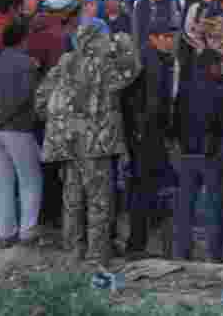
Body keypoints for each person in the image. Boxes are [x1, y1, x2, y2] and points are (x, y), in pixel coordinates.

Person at [37, 18, 140, 264]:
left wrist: (60, 125)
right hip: (96, 143)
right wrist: (125, 42)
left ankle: (72, 251)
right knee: (99, 201)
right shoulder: (104, 66)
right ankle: (96, 255)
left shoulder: (65, 62)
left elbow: (42, 97)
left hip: (67, 142)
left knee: (72, 198)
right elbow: (133, 69)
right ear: (95, 40)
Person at [0, 20, 42, 247]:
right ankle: (27, 233)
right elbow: (25, 96)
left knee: (2, 183)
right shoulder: (27, 64)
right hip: (18, 129)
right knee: (30, 180)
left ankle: (6, 234)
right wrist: (3, 116)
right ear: (24, 38)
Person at [123, 20, 179, 259]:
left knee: (145, 188)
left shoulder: (157, 59)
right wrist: (154, 132)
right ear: (153, 38)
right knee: (145, 189)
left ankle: (140, 243)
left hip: (143, 133)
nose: (170, 40)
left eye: (171, 36)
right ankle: (138, 245)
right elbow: (154, 103)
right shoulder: (152, 61)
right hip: (147, 134)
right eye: (165, 36)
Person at [172, 49, 223, 262]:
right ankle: (214, 254)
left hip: (186, 153)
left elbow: (175, 119)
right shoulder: (218, 90)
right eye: (218, 65)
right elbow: (222, 122)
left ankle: (182, 252)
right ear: (210, 66)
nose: (220, 69)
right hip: (210, 155)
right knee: (213, 206)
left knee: (185, 206)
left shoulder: (184, 89)